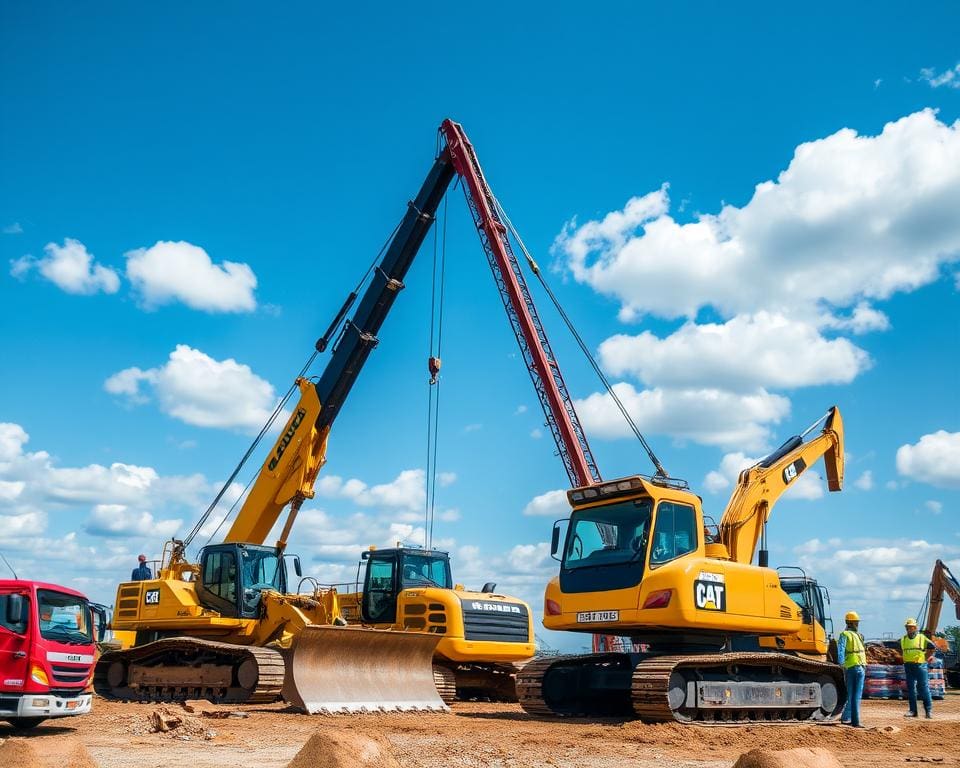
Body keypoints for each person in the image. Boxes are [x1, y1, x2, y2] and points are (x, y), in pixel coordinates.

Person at [836, 610, 866, 728]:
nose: (857, 624)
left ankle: (846, 718)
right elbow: (841, 650)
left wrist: (842, 664)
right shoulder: (847, 635)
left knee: (852, 695)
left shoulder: (855, 635)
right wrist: (841, 663)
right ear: (851, 623)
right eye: (856, 622)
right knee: (856, 695)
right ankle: (855, 721)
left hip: (857, 666)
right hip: (856, 667)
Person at [901, 617, 935, 719]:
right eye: (907, 627)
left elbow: (932, 647)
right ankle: (913, 711)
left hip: (920, 666)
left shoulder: (921, 637)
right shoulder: (903, 639)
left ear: (915, 628)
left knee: (923, 688)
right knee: (911, 689)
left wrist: (926, 657)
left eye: (911, 627)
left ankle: (928, 710)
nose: (909, 629)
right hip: (908, 665)